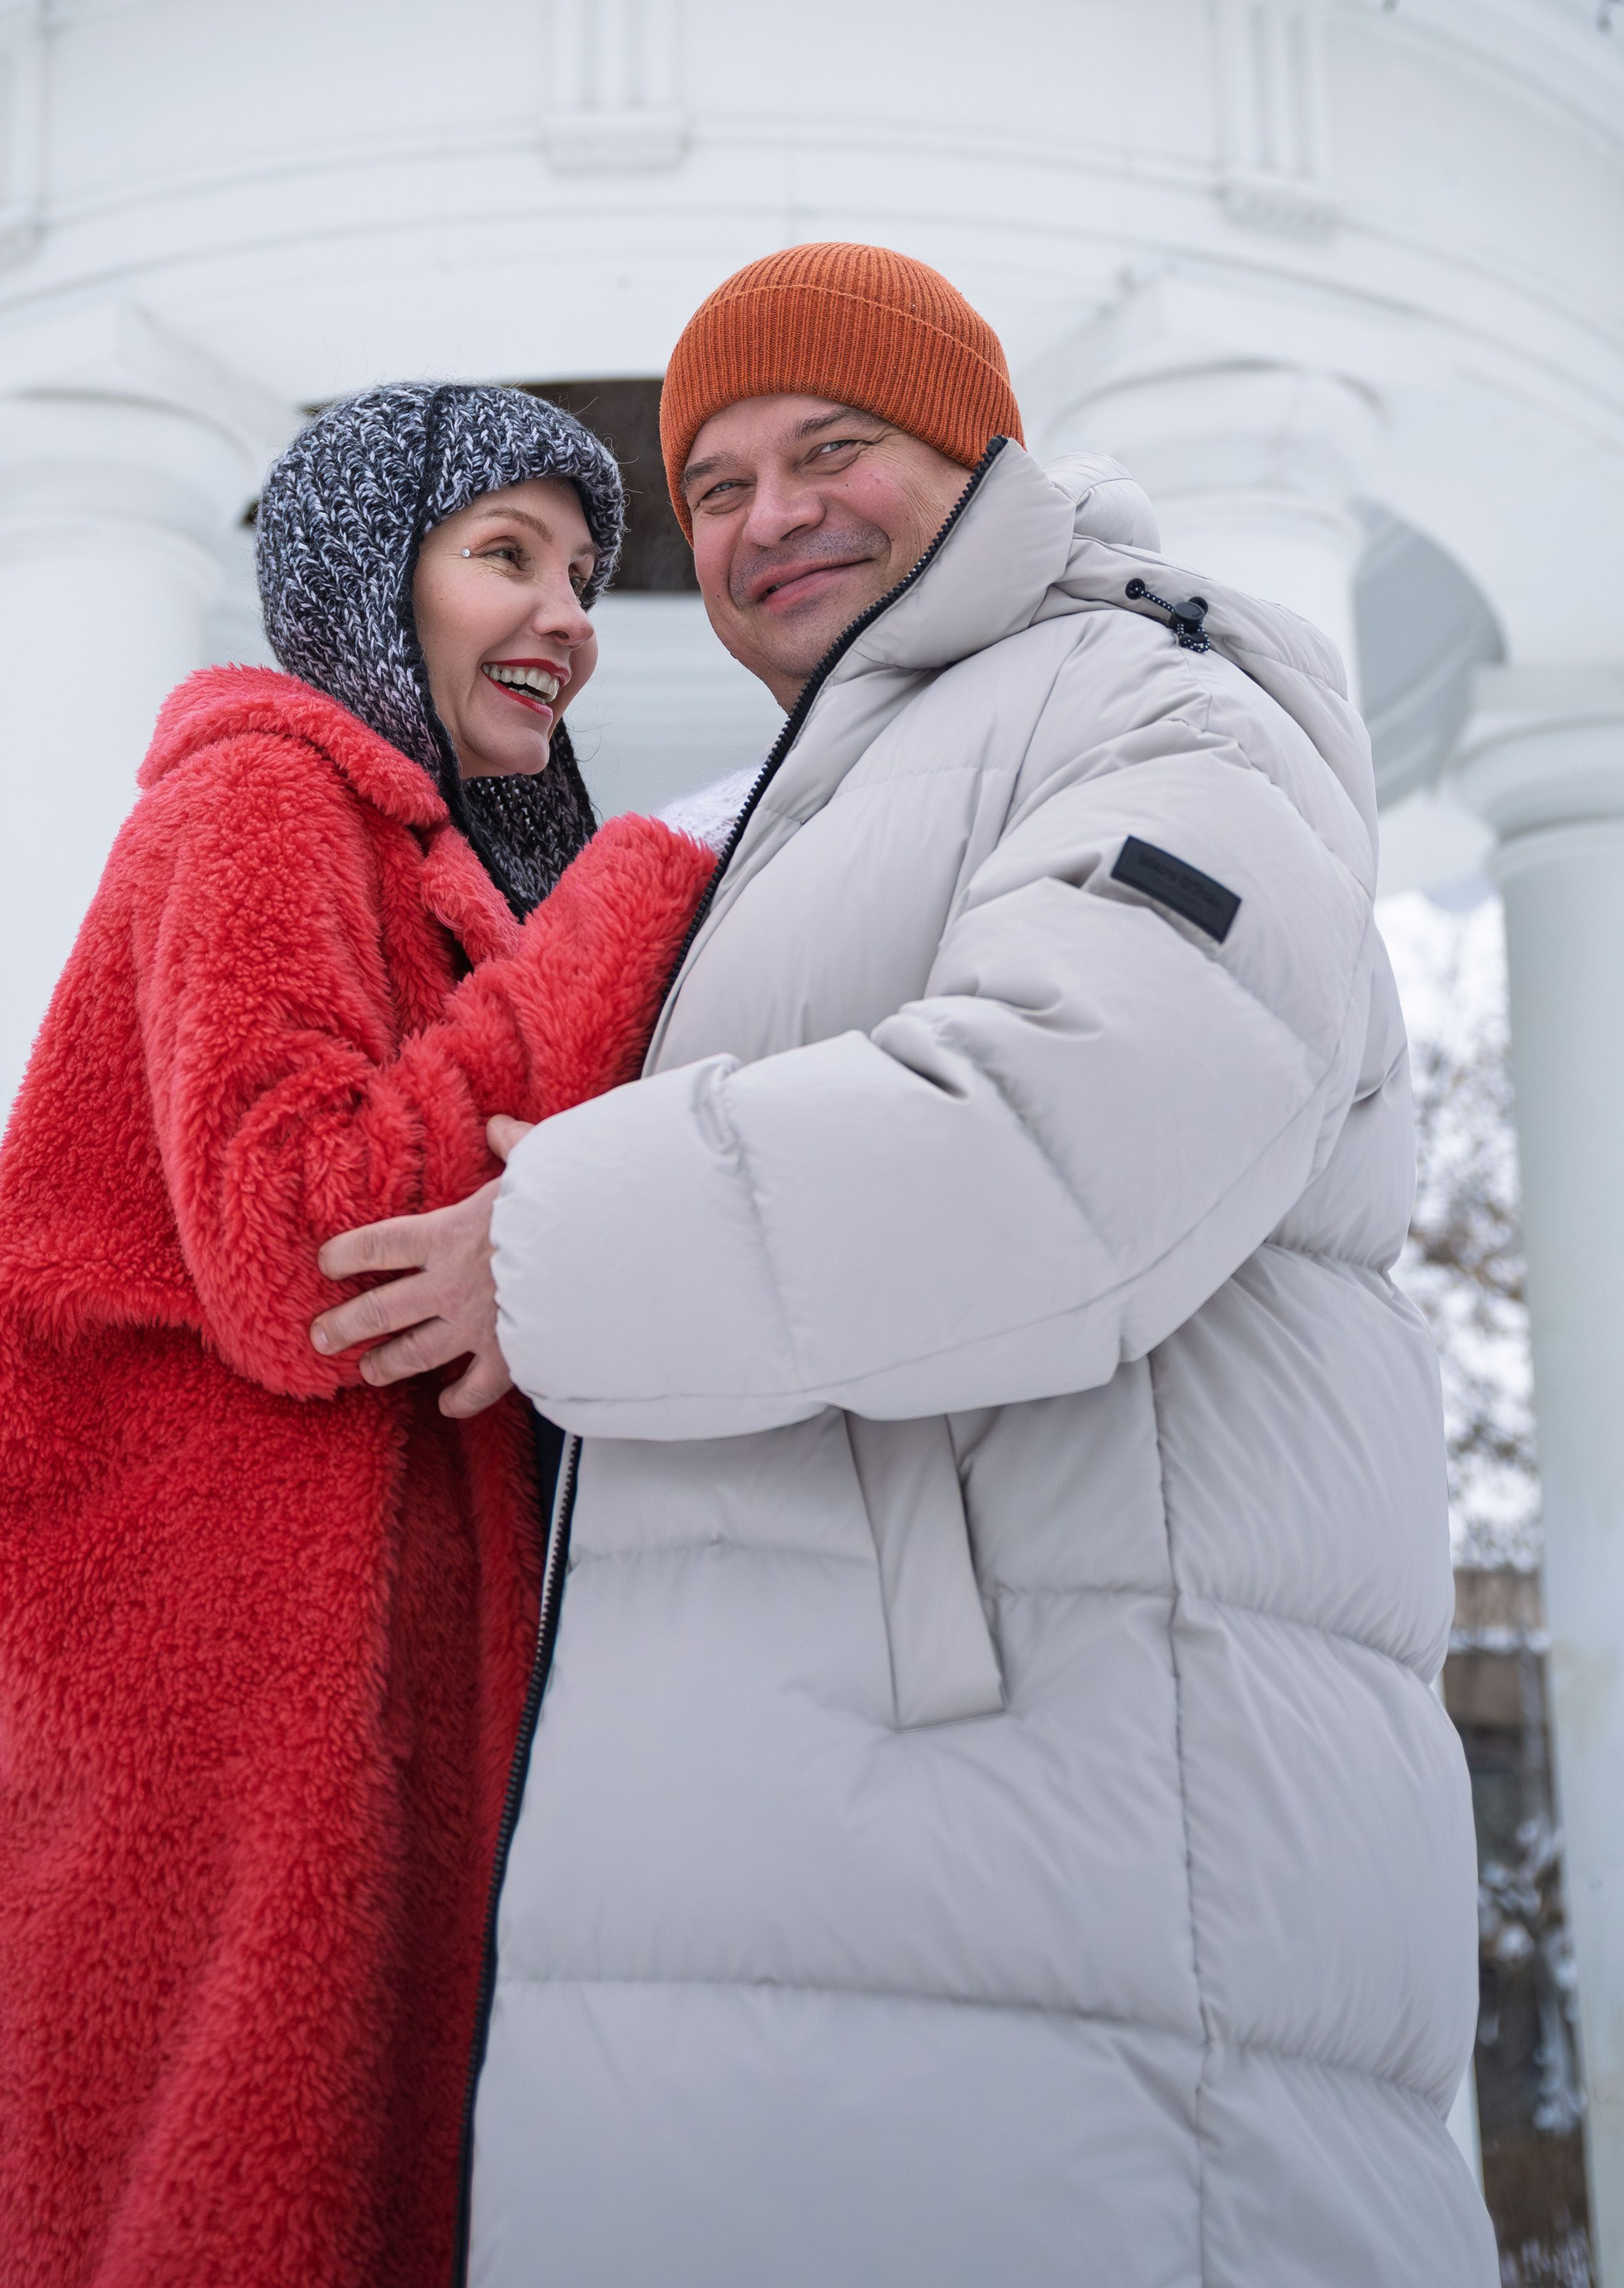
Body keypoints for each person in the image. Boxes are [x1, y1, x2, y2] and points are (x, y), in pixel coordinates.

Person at [320, 249, 1498, 2288]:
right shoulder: (841, 798)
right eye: (714, 484)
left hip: (1063, 1952)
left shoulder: (1148, 705)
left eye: (832, 447)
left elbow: (1071, 1123)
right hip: (826, 1962)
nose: (767, 515)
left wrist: (545, 1254)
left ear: (980, 458)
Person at [0, 382, 713, 2288]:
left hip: (340, 1663)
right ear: (373, 579)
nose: (567, 616)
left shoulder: (439, 862)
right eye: (502, 556)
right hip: (218, 1688)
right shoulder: (264, 798)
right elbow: (308, 1241)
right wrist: (621, 916)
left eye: (581, 573)